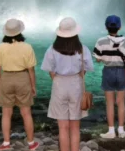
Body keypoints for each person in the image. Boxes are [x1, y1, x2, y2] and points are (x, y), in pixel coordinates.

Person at [41, 17, 94, 151]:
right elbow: (86, 69)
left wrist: (58, 80)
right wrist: (77, 78)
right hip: (76, 83)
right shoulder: (82, 49)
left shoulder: (52, 49)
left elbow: (50, 69)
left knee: (63, 127)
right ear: (75, 33)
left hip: (59, 83)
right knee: (75, 127)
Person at [0, 19, 39, 151]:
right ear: (20, 32)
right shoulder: (27, 47)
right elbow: (31, 69)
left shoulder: (0, 47)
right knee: (26, 113)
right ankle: (31, 144)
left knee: (6, 113)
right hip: (23, 78)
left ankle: (6, 143)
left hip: (6, 78)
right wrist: (33, 85)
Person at [93, 15, 125, 139]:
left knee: (110, 103)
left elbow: (97, 59)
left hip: (108, 71)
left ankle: (111, 131)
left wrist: (104, 57)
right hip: (122, 72)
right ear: (120, 27)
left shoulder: (101, 41)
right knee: (121, 102)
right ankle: (121, 130)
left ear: (106, 27)